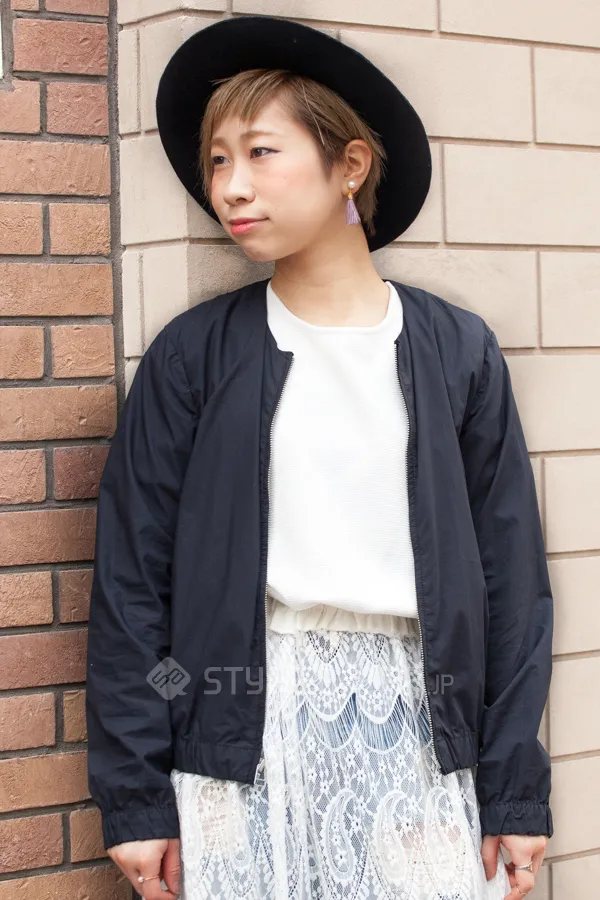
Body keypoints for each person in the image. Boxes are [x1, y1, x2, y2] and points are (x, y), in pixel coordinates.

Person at [85, 15, 553, 900]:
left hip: (419, 730)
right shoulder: (194, 358)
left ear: (350, 166)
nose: (230, 186)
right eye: (217, 160)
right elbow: (132, 590)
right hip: (234, 734)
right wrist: (139, 791)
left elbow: (512, 587)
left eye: (261, 152)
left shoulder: (456, 353)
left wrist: (515, 791)